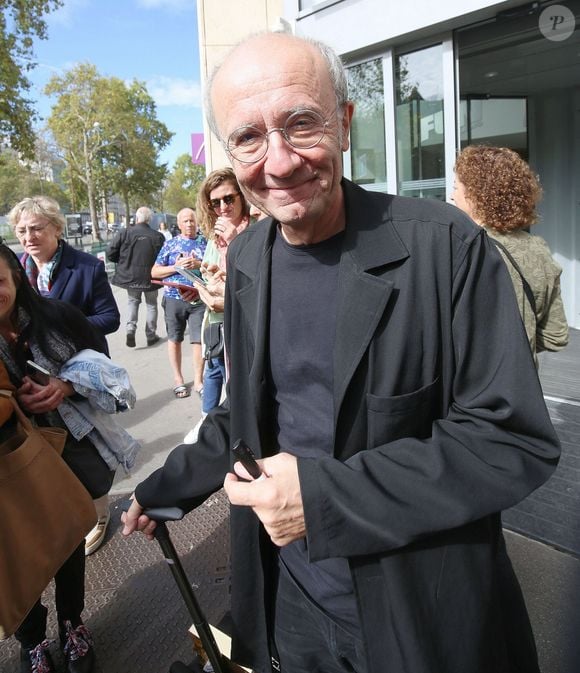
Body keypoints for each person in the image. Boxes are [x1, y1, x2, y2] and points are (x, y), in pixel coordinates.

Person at [123, 32, 560, 673]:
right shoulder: (247, 256)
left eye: (302, 124)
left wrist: (325, 499)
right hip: (289, 603)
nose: (278, 162)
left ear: (346, 123)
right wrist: (167, 485)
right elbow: (245, 415)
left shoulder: (445, 247)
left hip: (417, 611)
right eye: (248, 138)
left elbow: (509, 440)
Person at [0, 244, 110, 673]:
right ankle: (32, 642)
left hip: (63, 447)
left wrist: (64, 386)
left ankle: (72, 625)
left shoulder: (55, 316)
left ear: (14, 279)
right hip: (6, 465)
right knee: (13, 552)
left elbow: (102, 366)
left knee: (66, 539)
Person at [7, 195, 121, 556]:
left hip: (78, 372)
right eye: (22, 230)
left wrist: (57, 328)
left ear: (57, 228)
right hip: (28, 382)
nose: (29, 236)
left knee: (85, 447)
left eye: (37, 228)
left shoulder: (86, 267)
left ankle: (99, 514)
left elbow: (110, 317)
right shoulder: (14, 269)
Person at [452, 144, 569, 364]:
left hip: (468, 389)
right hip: (522, 387)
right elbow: (556, 336)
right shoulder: (538, 249)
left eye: (456, 187)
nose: (451, 196)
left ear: (476, 194)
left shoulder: (459, 249)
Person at [195, 168, 250, 417]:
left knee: (241, 387)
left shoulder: (256, 230)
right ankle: (208, 425)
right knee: (215, 371)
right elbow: (213, 275)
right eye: (215, 202)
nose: (223, 207)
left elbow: (253, 280)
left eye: (229, 198)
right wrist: (202, 283)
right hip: (216, 322)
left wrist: (234, 242)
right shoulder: (213, 238)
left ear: (242, 196)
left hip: (244, 325)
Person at [151, 207, 207, 398]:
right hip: (174, 299)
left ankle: (199, 381)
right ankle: (178, 379)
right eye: (185, 221)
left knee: (198, 340)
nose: (190, 224)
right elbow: (154, 271)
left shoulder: (205, 243)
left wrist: (199, 265)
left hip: (199, 299)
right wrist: (176, 267)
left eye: (192, 220)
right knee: (174, 339)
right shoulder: (170, 245)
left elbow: (216, 267)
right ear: (179, 224)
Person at [107, 206, 165, 348]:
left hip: (130, 276)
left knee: (133, 301)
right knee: (151, 305)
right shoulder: (157, 236)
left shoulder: (125, 233)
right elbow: (163, 258)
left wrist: (123, 262)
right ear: (149, 219)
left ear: (136, 218)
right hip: (151, 277)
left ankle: (130, 329)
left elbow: (110, 252)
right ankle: (151, 335)